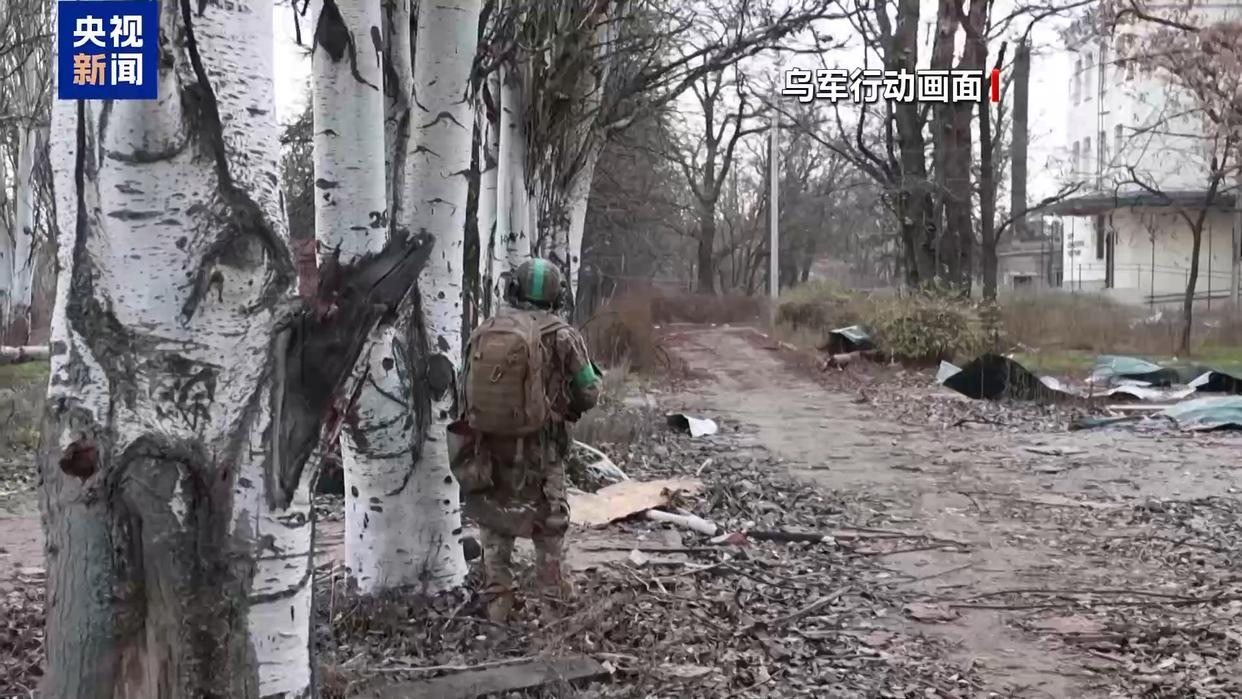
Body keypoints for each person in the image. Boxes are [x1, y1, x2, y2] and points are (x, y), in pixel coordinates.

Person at [456, 257, 601, 623]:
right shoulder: (564, 335)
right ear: (558, 296)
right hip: (542, 451)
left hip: (491, 450)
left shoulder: (488, 329)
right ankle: (554, 609)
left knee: (494, 525)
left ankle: (498, 605)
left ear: (513, 290)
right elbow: (589, 392)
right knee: (549, 526)